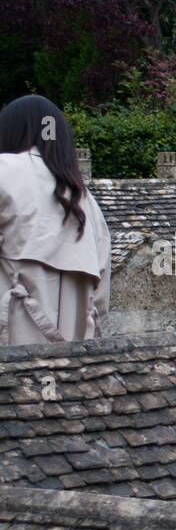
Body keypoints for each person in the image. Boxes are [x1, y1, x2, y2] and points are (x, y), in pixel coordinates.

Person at [0, 94, 111, 345]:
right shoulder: (87, 202)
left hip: (11, 356)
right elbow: (101, 301)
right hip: (74, 368)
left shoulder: (3, 171)